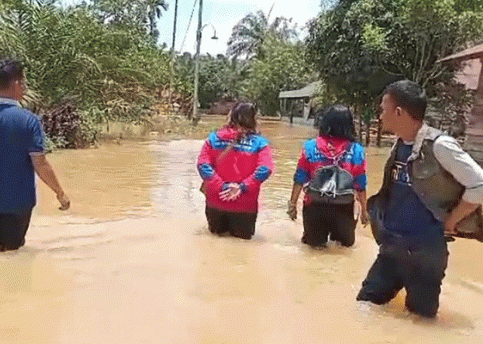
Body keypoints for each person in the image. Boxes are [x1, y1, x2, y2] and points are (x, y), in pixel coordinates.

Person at [357, 80, 483, 318]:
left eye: (383, 109)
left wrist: (451, 221)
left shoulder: (440, 146)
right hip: (392, 248)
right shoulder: (400, 144)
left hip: (426, 254)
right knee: (365, 307)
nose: (380, 115)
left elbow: (479, 185)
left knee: (420, 322)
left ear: (398, 112)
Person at [0, 59, 70, 256]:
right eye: (23, 83)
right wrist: (60, 193)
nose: (24, 87)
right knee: (10, 255)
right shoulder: (29, 120)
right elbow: (40, 163)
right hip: (19, 202)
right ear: (16, 84)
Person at [288, 105, 368, 248]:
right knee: (343, 251)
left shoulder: (310, 146)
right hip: (343, 208)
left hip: (314, 206)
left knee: (314, 250)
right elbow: (360, 184)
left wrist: (292, 204)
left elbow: (300, 178)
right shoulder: (356, 150)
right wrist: (364, 211)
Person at [197, 102, 274, 239]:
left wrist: (222, 186)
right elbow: (265, 169)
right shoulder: (260, 143)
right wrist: (242, 187)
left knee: (213, 246)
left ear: (230, 116)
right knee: (242, 253)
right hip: (245, 205)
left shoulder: (214, 139)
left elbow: (203, 166)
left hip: (216, 202)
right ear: (254, 119)